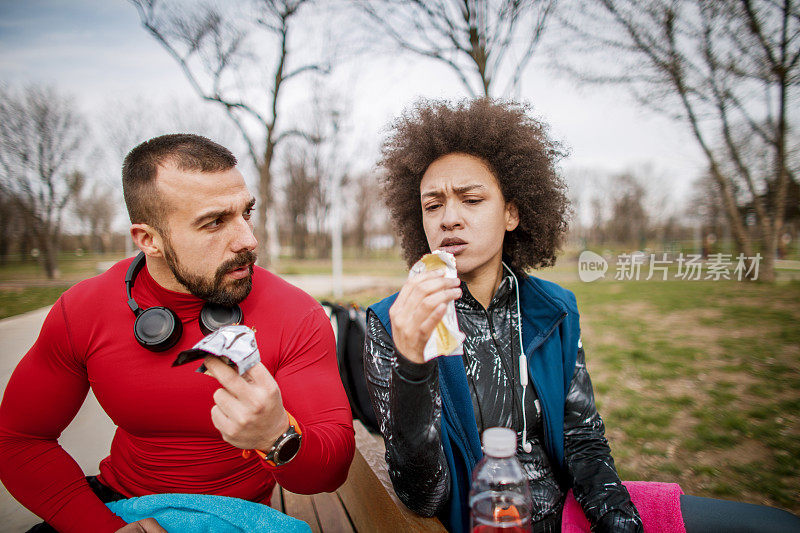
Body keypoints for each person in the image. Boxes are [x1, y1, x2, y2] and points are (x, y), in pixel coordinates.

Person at [362, 99, 800, 533]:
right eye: (432, 205)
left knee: (776, 525)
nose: (449, 219)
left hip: (570, 512)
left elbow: (582, 437)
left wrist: (615, 517)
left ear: (512, 213)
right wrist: (413, 363)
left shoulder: (553, 309)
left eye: (471, 199)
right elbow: (423, 495)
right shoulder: (392, 324)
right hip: (484, 522)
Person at [0, 134, 355, 533]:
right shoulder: (82, 310)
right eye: (215, 222)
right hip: (117, 508)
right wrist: (101, 528)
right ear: (148, 239)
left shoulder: (295, 312)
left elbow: (330, 471)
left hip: (240, 519)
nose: (248, 240)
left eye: (246, 213)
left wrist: (277, 435)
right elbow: (20, 439)